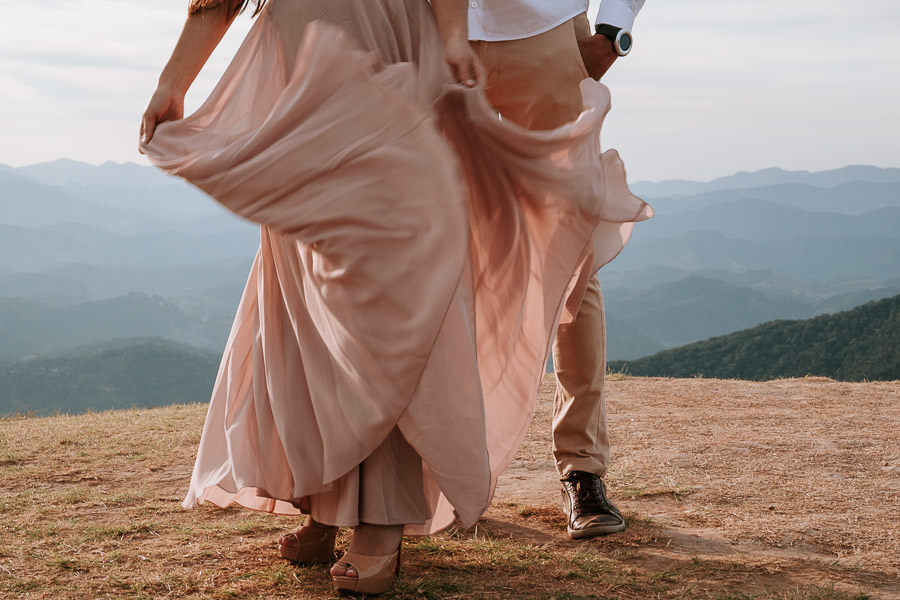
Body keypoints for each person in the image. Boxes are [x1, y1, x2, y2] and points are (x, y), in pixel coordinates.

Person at [140, 0, 651, 594]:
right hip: (343, 55)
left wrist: (614, 30)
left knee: (539, 249)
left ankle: (576, 470)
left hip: (501, 35)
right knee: (323, 281)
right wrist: (171, 82)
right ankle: (327, 501)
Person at [468, 0, 646, 540]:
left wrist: (615, 28)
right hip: (430, 36)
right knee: (436, 253)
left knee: (570, 260)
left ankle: (583, 470)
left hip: (542, 37)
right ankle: (430, 467)